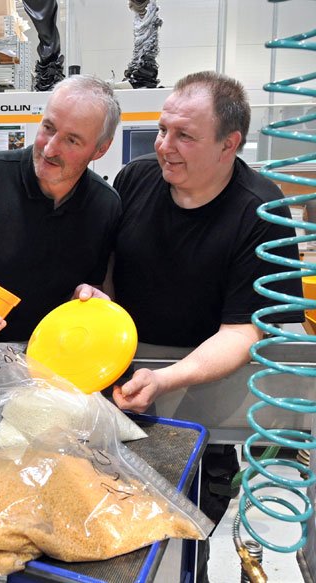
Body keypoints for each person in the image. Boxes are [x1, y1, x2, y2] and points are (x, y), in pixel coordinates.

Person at [77, 71, 302, 581]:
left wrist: (167, 378)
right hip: (122, 385)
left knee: (188, 524)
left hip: (210, 397)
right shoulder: (135, 179)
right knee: (113, 526)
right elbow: (110, 269)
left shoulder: (261, 211)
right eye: (162, 130)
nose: (164, 147)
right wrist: (97, 299)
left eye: (184, 136)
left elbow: (244, 332)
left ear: (230, 144)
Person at [0, 74, 122, 344]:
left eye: (72, 141)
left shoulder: (105, 205)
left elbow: (92, 286)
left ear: (100, 150)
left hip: (52, 359)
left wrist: (90, 298)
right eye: (49, 128)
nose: (50, 148)